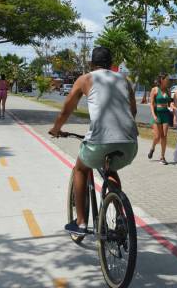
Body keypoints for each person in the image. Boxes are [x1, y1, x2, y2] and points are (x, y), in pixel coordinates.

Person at [49, 47, 138, 236]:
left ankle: (81, 222)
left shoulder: (86, 79)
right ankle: (121, 216)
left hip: (100, 141)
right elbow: (133, 111)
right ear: (111, 65)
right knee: (110, 170)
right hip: (130, 143)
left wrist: (56, 129)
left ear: (91, 64)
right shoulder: (124, 80)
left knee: (81, 168)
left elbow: (66, 110)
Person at [148, 74, 173, 165]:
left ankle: (162, 157)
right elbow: (151, 104)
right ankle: (152, 148)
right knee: (157, 137)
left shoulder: (168, 90)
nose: (168, 81)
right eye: (167, 79)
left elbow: (170, 103)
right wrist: (154, 115)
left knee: (164, 135)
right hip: (157, 114)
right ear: (162, 80)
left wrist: (173, 107)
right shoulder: (154, 90)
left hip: (165, 114)